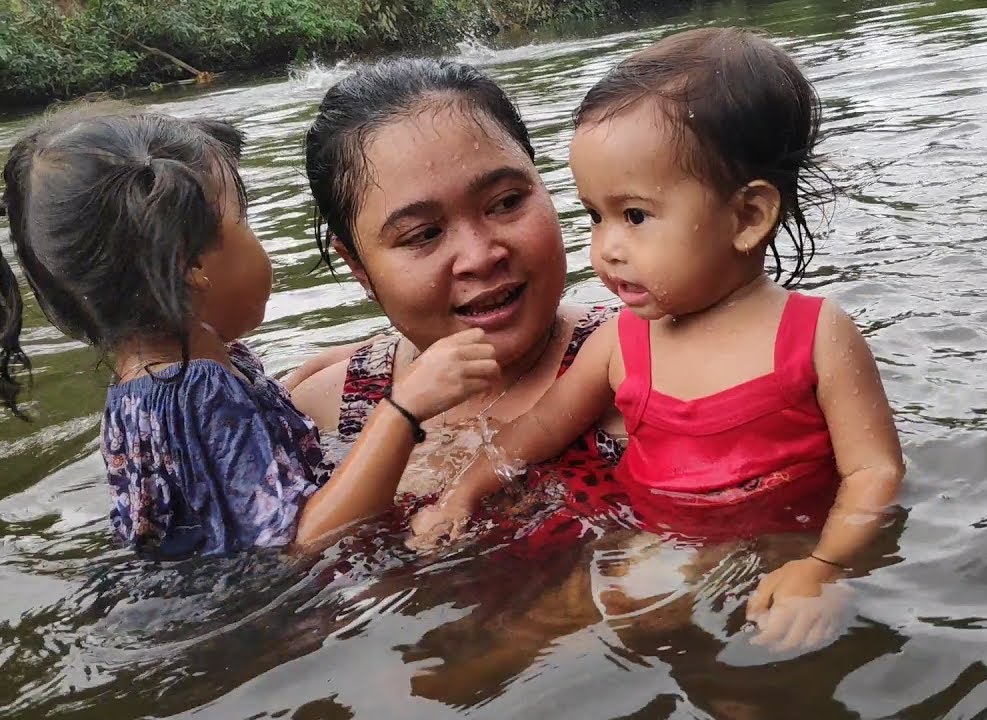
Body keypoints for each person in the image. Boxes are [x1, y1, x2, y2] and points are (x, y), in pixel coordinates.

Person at [410, 28, 906, 627]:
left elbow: (874, 471)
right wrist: (463, 491)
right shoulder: (621, 342)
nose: (606, 247)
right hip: (660, 550)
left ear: (748, 216)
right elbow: (535, 431)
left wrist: (826, 566)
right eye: (595, 216)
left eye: (635, 215)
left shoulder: (816, 334)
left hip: (791, 550)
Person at [0, 108, 500, 558]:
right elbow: (302, 542)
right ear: (191, 265)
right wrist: (401, 410)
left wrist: (368, 353)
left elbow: (240, 455)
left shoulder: (163, 376)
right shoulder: (196, 391)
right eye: (244, 222)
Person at [290, 57, 628, 542]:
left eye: (507, 202)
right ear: (358, 267)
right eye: (423, 234)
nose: (479, 256)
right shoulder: (322, 409)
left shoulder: (653, 364)